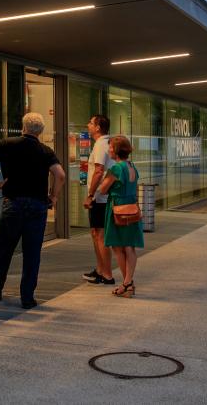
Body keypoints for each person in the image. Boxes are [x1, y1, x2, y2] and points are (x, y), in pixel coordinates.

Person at [0, 112, 66, 309]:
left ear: (23, 127)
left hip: (13, 203)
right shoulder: (45, 151)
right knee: (32, 252)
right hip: (37, 205)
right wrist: (54, 196)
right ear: (40, 131)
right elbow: (60, 175)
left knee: (5, 248)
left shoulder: (8, 144)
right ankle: (27, 297)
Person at [96, 135, 144, 297]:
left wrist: (105, 183)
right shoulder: (132, 166)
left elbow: (102, 189)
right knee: (129, 247)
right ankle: (127, 284)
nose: (109, 149)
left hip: (117, 208)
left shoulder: (116, 168)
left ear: (116, 150)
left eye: (110, 147)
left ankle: (127, 283)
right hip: (131, 207)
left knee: (118, 247)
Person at [81, 114, 116, 285]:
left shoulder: (102, 144)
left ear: (98, 128)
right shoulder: (102, 143)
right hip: (100, 197)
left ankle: (107, 274)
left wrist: (90, 195)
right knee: (95, 233)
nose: (88, 125)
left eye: (90, 122)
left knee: (100, 235)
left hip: (100, 198)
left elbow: (99, 171)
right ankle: (100, 270)